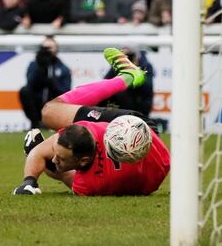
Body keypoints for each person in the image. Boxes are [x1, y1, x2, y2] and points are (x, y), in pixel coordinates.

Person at [13, 48, 169, 196]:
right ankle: (126, 77)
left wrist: (31, 179)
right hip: (142, 131)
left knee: (49, 112)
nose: (54, 158)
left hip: (151, 147)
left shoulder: (88, 184)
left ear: (83, 161)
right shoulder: (89, 133)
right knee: (50, 112)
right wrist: (32, 177)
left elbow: (59, 170)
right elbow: (46, 157)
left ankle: (127, 76)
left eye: (59, 157)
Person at [18, 37, 72, 129]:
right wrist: (41, 68)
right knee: (24, 91)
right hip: (37, 103)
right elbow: (30, 85)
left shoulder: (62, 68)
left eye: (50, 48)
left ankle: (52, 123)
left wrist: (51, 82)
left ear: (56, 49)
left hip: (53, 104)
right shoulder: (34, 65)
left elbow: (66, 92)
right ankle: (36, 124)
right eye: (45, 48)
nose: (47, 51)